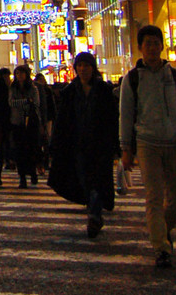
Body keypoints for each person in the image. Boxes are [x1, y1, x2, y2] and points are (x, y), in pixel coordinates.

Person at [120, 25, 176, 268]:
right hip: (146, 143)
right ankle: (161, 247)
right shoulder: (131, 79)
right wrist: (125, 148)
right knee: (153, 196)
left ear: (162, 46)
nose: (152, 47)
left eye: (156, 42)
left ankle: (162, 230)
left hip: (173, 142)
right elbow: (126, 115)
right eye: (147, 43)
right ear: (140, 47)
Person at [49, 52, 119, 238]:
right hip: (78, 143)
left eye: (86, 66)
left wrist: (116, 144)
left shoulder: (103, 90)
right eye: (80, 66)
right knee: (84, 178)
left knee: (98, 179)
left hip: (100, 143)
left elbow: (112, 118)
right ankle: (94, 210)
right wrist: (56, 143)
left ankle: (94, 215)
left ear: (92, 68)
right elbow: (62, 120)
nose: (83, 69)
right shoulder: (70, 92)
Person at [8, 66, 42, 188]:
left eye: (22, 73)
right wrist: (27, 101)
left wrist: (23, 102)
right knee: (19, 151)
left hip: (31, 124)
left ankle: (32, 173)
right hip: (17, 122)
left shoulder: (33, 88)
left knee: (31, 149)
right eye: (17, 73)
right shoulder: (13, 88)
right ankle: (22, 177)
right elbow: (11, 102)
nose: (20, 76)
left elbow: (36, 103)